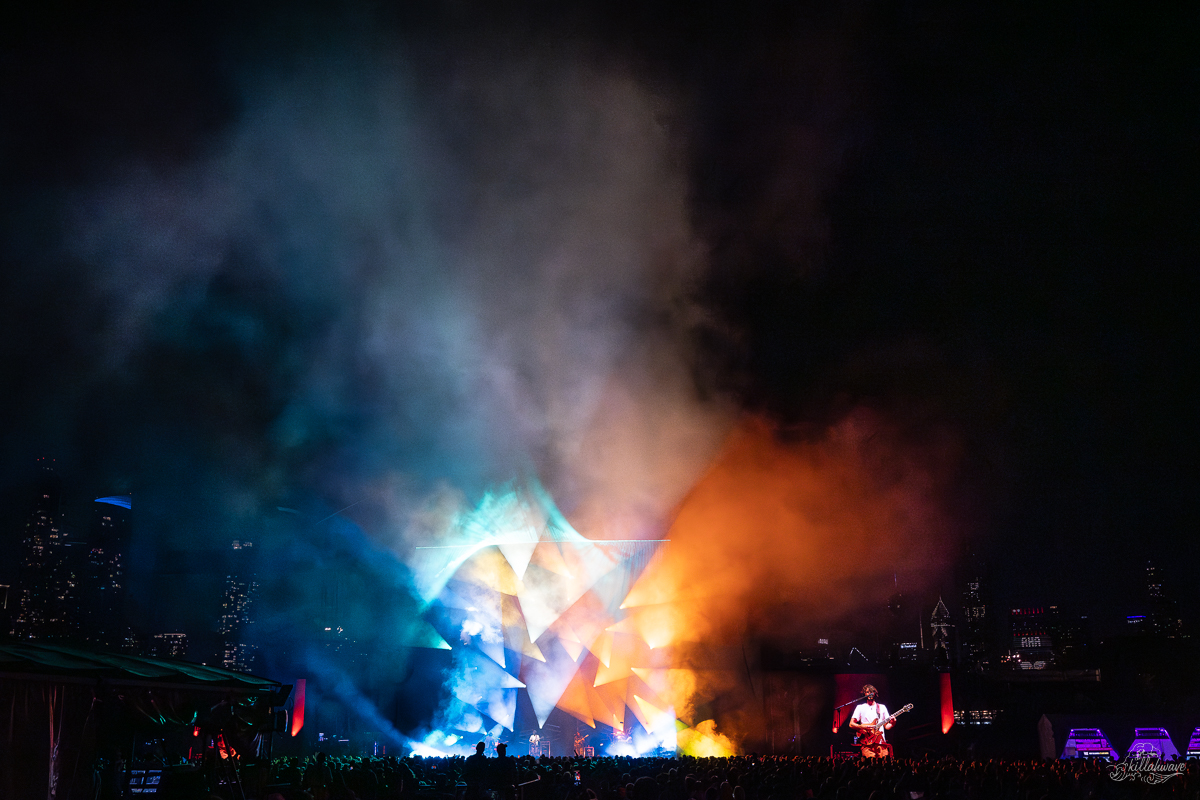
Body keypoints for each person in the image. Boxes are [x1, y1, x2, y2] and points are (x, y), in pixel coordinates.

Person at [848, 684, 893, 758]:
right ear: (864, 694)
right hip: (867, 743)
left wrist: (893, 723)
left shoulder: (882, 707)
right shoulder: (860, 707)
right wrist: (863, 727)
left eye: (872, 692)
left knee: (884, 766)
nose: (870, 693)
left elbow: (887, 727)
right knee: (869, 766)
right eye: (867, 692)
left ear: (875, 693)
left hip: (881, 743)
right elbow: (851, 724)